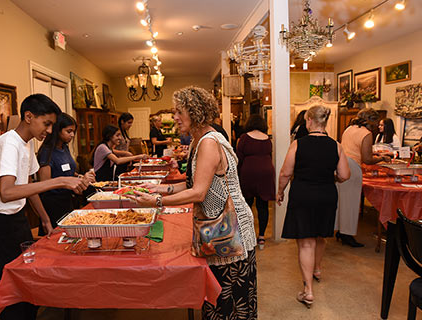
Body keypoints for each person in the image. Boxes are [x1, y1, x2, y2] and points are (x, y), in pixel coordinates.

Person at [128, 86, 257, 319]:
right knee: (218, 299)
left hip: (232, 231)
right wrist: (160, 187)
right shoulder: (198, 141)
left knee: (229, 301)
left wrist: (157, 201)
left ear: (196, 112)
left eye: (180, 111)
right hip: (219, 229)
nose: (174, 117)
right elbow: (193, 184)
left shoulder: (208, 142)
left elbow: (198, 193)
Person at [0, 94, 89, 320]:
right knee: (11, 296)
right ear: (28, 116)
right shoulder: (10, 143)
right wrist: (59, 181)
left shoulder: (26, 144)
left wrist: (46, 221)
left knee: (27, 288)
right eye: (46, 124)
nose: (49, 131)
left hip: (17, 219)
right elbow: (7, 192)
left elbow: (28, 185)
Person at [277, 105, 350, 308]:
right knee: (320, 235)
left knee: (306, 242)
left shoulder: (298, 145)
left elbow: (284, 173)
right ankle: (317, 269)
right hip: (327, 194)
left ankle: (308, 290)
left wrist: (280, 191)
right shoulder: (336, 145)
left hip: (303, 195)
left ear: (309, 120)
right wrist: (329, 177)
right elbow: (344, 175)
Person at [336, 108, 390, 247]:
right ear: (371, 120)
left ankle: (340, 231)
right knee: (352, 204)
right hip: (353, 167)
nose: (377, 126)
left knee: (342, 202)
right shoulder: (366, 134)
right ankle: (347, 235)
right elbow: (367, 159)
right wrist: (381, 158)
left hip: (340, 164)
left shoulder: (348, 129)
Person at [37, 113, 95, 234]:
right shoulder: (47, 152)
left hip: (68, 200)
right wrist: (66, 183)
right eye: (68, 131)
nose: (72, 135)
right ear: (57, 130)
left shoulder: (65, 148)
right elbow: (44, 184)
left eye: (73, 131)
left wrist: (80, 177)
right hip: (53, 204)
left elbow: (67, 172)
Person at [237, 114, 275, 249]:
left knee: (247, 205)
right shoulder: (267, 139)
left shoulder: (244, 138)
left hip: (249, 172)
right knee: (263, 205)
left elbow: (239, 159)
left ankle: (248, 235)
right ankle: (262, 237)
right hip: (266, 173)